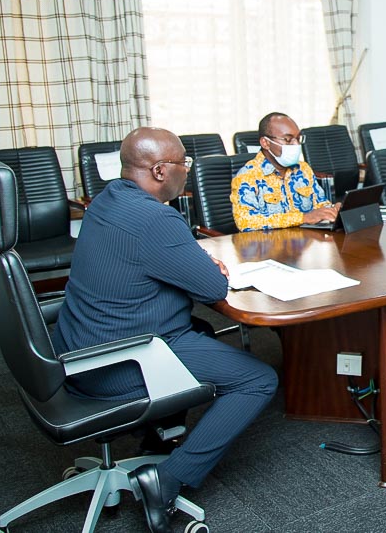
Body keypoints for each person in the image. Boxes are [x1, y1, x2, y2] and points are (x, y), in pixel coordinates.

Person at [51, 127, 277, 533]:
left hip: (77, 345)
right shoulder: (157, 218)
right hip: (118, 360)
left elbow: (152, 259)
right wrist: (206, 268)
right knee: (258, 379)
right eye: (182, 163)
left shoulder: (107, 199)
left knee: (199, 327)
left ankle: (159, 438)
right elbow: (213, 288)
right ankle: (167, 479)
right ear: (159, 170)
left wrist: (194, 262)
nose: (187, 170)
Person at [231, 112, 341, 231]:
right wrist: (303, 218)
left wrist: (332, 209)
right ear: (265, 143)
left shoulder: (303, 169)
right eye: (288, 139)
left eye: (298, 139)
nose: (296, 144)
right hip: (270, 242)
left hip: (306, 239)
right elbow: (245, 221)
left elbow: (319, 203)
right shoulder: (247, 176)